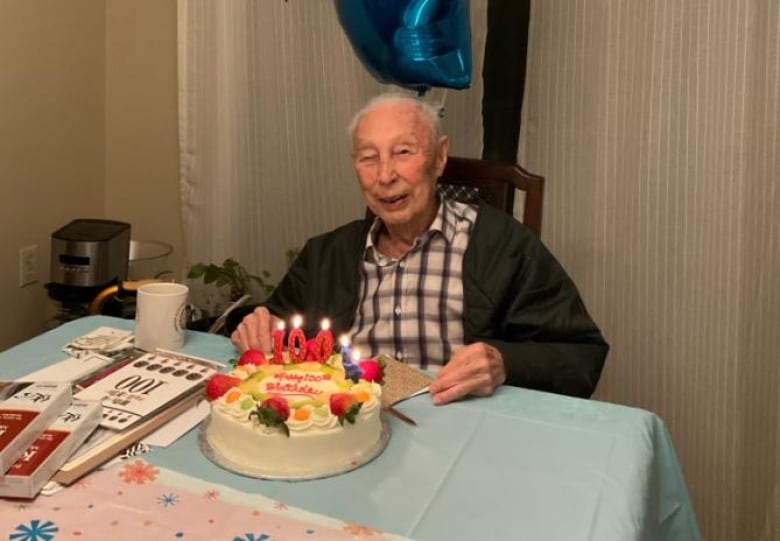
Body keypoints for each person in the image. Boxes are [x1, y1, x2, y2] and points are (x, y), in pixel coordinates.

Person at [229, 92, 608, 404]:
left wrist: (504, 361)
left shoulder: (503, 245)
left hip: (464, 430)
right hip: (352, 431)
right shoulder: (326, 255)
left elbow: (580, 354)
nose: (385, 175)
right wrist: (257, 327)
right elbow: (274, 329)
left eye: (404, 152)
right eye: (368, 157)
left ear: (440, 157)